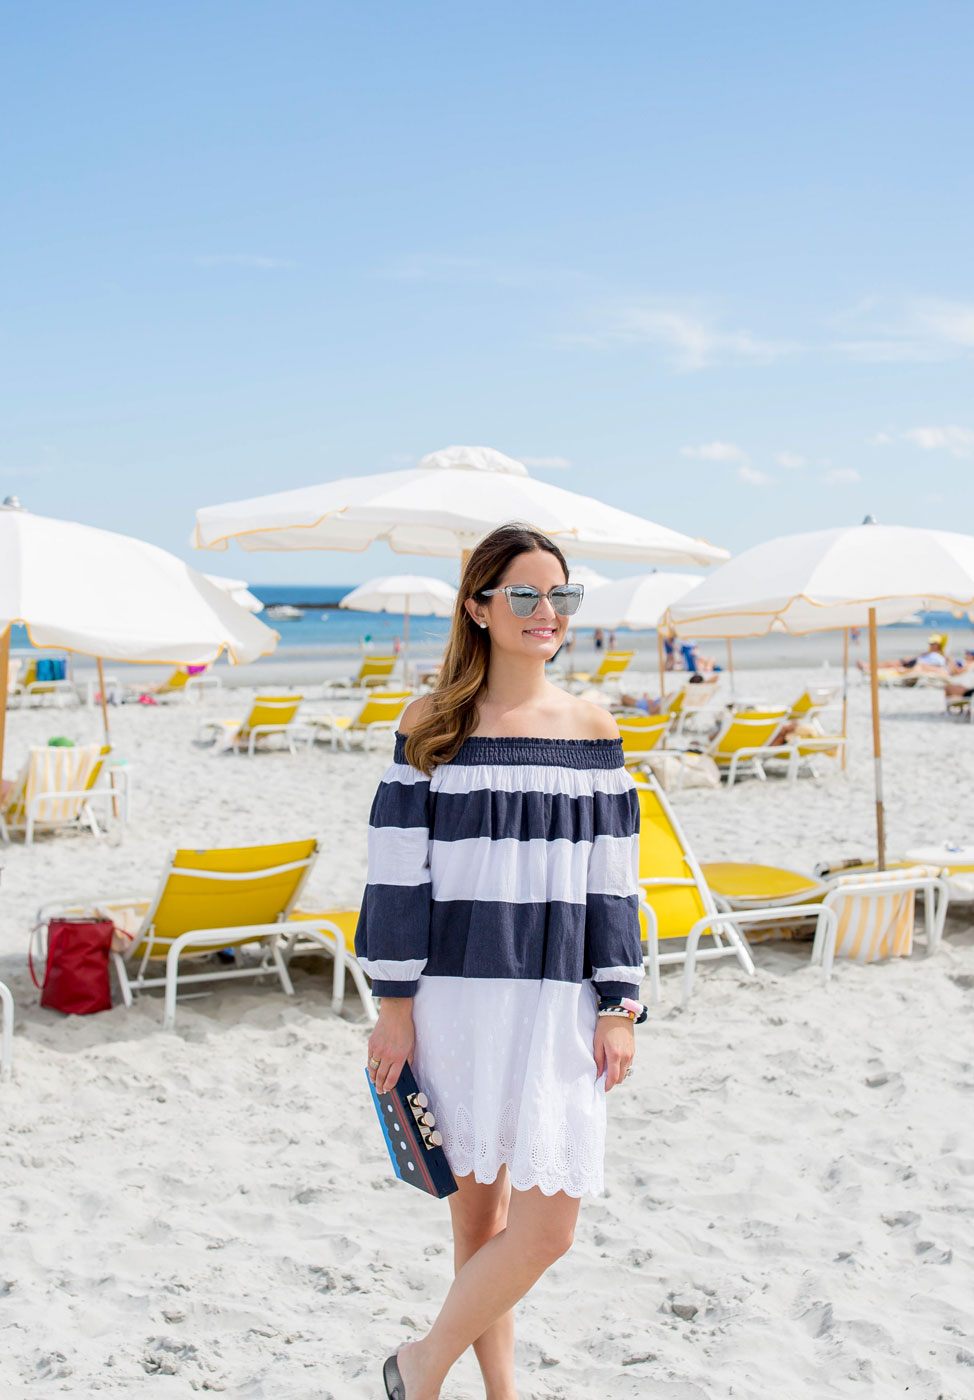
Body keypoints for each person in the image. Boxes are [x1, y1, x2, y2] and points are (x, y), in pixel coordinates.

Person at [357, 523, 645, 1400]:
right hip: (455, 999)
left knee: (548, 1228)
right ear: (478, 607)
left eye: (561, 594)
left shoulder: (593, 730)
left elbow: (614, 882)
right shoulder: (430, 723)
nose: (545, 611)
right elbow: (396, 874)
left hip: (560, 1000)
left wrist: (619, 1003)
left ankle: (419, 1365)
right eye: (523, 594)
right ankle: (500, 1394)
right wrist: (394, 1004)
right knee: (480, 1223)